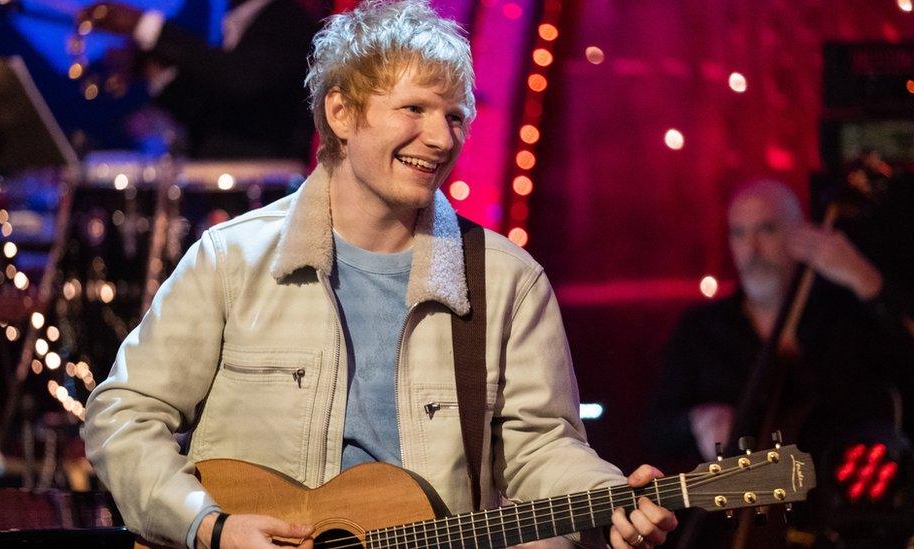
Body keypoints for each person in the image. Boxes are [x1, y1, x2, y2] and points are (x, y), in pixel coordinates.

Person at [84, 2, 677, 548]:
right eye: (414, 109)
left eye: (454, 116)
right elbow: (123, 417)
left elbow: (542, 450)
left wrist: (609, 498)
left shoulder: (508, 281)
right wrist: (209, 527)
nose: (441, 138)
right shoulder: (232, 258)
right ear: (341, 113)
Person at [645, 180, 914, 546]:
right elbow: (656, 427)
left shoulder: (846, 315)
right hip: (729, 528)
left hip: (840, 526)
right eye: (739, 233)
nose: (751, 248)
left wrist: (864, 279)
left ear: (800, 234)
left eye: (767, 229)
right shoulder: (702, 329)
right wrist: (696, 421)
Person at [78, 0, 319, 161]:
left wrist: (145, 25)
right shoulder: (226, 19)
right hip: (217, 177)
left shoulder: (288, 17)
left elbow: (239, 80)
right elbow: (209, 110)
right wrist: (154, 69)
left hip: (266, 190)